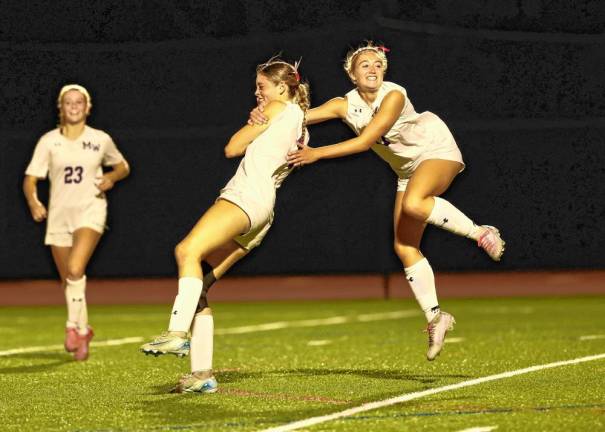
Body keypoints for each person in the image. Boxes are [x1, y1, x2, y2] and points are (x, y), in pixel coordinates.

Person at [251, 42, 505, 361]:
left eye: (377, 64)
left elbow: (366, 141)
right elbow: (297, 117)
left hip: (436, 151)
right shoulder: (344, 104)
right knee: (404, 247)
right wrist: (267, 110)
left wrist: (316, 154)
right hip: (406, 170)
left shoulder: (393, 95)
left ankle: (480, 232)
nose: (373, 69)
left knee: (414, 204)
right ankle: (436, 317)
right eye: (365, 65)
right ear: (352, 75)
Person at [140, 58, 310, 393]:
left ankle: (176, 333)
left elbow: (232, 147)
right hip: (264, 213)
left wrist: (257, 118)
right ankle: (202, 376)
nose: (257, 93)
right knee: (199, 287)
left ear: (280, 86)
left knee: (186, 249)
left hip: (245, 197)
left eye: (261, 86)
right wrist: (260, 119)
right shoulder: (302, 122)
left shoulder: (278, 107)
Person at [23, 84, 130, 361]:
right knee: (69, 281)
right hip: (59, 215)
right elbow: (31, 179)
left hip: (90, 210)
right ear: (61, 107)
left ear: (87, 107)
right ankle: (84, 329)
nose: (73, 107)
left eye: (78, 102)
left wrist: (111, 178)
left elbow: (122, 166)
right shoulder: (49, 141)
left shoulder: (100, 139)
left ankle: (72, 327)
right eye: (68, 102)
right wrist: (34, 202)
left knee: (75, 267)